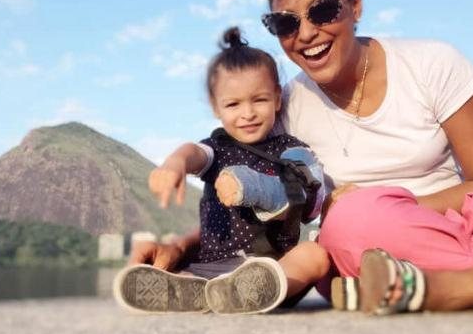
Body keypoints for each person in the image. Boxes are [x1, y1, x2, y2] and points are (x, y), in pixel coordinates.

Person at [254, 0, 473, 314]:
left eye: (323, 9)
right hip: (358, 246)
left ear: (355, 4)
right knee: (353, 220)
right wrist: (184, 248)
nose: (307, 33)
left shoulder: (431, 64)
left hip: (460, 234)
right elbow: (249, 197)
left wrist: (399, 205)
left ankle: (421, 287)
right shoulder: (286, 107)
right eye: (285, 23)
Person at [114, 27, 330, 314]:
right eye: (233, 104)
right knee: (193, 277)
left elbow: (306, 188)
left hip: (272, 270)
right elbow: (194, 153)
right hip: (214, 266)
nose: (248, 113)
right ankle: (192, 290)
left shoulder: (288, 149)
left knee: (314, 255)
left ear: (278, 98)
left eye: (260, 100)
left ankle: (249, 292)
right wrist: (176, 162)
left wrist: (262, 187)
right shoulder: (218, 148)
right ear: (217, 107)